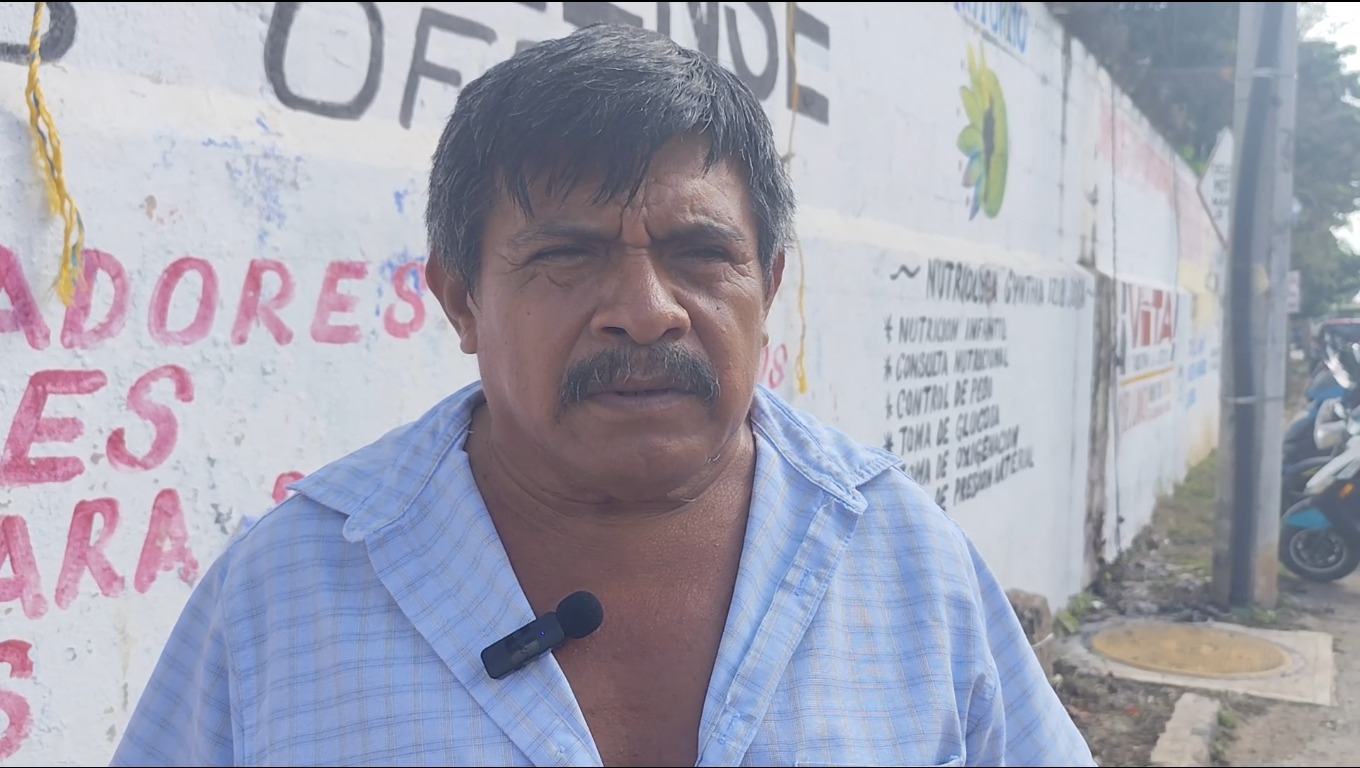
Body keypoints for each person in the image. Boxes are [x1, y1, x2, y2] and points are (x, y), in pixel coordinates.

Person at [111, 23, 1095, 768]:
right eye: (568, 255)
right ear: (461, 299)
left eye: (700, 253)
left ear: (769, 289)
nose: (645, 311)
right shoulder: (284, 594)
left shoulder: (907, 560)